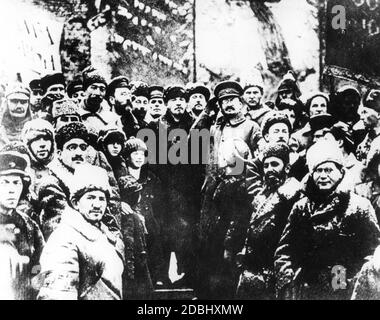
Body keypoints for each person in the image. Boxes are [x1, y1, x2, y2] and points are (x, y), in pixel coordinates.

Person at [275, 140, 380, 300]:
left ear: (341, 172)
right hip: (306, 288)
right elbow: (284, 250)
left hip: (343, 287)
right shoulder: (301, 207)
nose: (323, 175)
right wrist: (288, 280)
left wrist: (351, 281)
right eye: (318, 170)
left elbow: (372, 253)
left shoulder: (359, 206)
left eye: (329, 170)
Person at [37, 164, 125, 300]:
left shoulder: (105, 236)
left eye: (102, 199)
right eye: (90, 198)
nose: (97, 204)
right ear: (75, 203)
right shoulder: (64, 238)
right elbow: (58, 295)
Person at [236, 143, 302, 299]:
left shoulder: (294, 196)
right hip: (254, 273)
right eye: (265, 165)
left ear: (286, 168)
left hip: (275, 273)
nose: (269, 169)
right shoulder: (263, 195)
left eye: (275, 164)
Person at [196, 138, 252, 299]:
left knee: (225, 281)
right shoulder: (223, 179)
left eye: (223, 153)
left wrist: (229, 245)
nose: (220, 156)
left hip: (227, 239)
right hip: (217, 236)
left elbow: (238, 218)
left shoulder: (240, 184)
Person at [0, 150, 45, 299]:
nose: (12, 189)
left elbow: (39, 263)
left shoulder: (29, 225)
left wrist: (35, 279)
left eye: (16, 183)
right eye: (4, 182)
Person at [77, 67, 119, 133]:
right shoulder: (75, 115)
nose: (97, 93)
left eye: (102, 89)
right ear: (85, 90)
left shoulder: (112, 118)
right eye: (93, 87)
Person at [0, 83, 32, 149]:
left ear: (28, 104)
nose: (19, 106)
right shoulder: (1, 130)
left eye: (23, 102)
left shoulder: (35, 129)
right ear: (6, 103)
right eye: (14, 101)